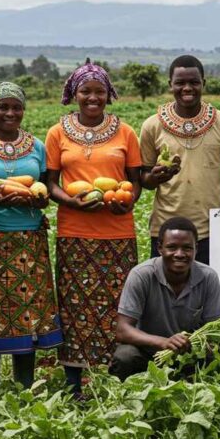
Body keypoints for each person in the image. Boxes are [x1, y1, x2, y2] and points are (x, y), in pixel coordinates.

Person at [45, 60, 142, 397]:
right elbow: (51, 183)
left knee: (120, 307)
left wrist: (126, 202)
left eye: (99, 91)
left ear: (108, 94)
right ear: (74, 93)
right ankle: (74, 386)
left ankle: (116, 382)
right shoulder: (58, 132)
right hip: (74, 233)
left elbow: (135, 181)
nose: (92, 97)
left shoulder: (126, 132)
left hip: (118, 233)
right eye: (86, 90)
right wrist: (70, 203)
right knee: (74, 308)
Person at [0, 82, 61, 395]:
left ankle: (25, 388)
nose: (10, 113)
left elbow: (45, 194)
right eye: (3, 106)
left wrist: (34, 200)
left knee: (28, 311)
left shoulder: (36, 146)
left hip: (30, 240)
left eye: (16, 107)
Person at [140, 55, 220, 264]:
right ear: (170, 85)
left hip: (210, 229)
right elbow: (144, 179)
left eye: (194, 82)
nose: (187, 88)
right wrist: (156, 177)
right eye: (180, 83)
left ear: (203, 83)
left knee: (209, 289)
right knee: (165, 292)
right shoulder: (152, 125)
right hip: (165, 229)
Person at [112, 217, 220, 380]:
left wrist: (194, 345)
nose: (179, 254)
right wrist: (163, 342)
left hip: (188, 354)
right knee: (125, 356)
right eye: (172, 247)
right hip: (150, 354)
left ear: (196, 249)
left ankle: (193, 383)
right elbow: (123, 330)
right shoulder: (142, 275)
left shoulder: (208, 277)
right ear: (159, 248)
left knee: (219, 353)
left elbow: (214, 331)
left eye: (187, 248)